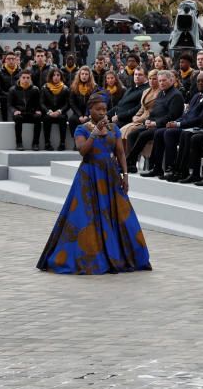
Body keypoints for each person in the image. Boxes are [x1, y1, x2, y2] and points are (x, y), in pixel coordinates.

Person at [37, 93, 151, 275]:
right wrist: (93, 134)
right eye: (98, 110)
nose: (103, 113)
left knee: (122, 215)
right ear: (90, 110)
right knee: (87, 219)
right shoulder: (81, 129)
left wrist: (126, 175)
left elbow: (121, 153)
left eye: (105, 109)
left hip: (111, 176)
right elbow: (83, 151)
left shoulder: (114, 129)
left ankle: (125, 256)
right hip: (89, 176)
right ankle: (91, 257)